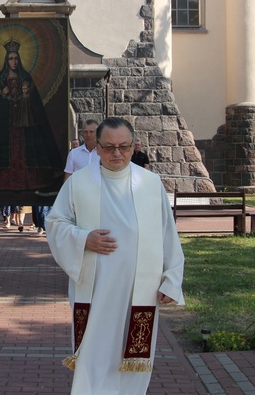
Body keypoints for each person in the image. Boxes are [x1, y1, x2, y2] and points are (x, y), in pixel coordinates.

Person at [46, 117, 185, 394]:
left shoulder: (150, 183)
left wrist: (171, 278)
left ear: (134, 146)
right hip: (96, 287)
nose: (117, 153)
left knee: (130, 357)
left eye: (123, 146)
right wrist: (84, 238)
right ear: (96, 147)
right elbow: (55, 223)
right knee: (93, 355)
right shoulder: (79, 183)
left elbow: (168, 234)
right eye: (109, 147)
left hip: (139, 289)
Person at [0, 39, 64, 194]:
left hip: (25, 121)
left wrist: (25, 97)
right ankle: (2, 182)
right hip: (4, 122)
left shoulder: (26, 78)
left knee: (27, 149)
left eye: (16, 58)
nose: (14, 62)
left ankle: (31, 181)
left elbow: (35, 103)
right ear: (6, 61)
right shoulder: (0, 79)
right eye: (10, 58)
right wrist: (3, 96)